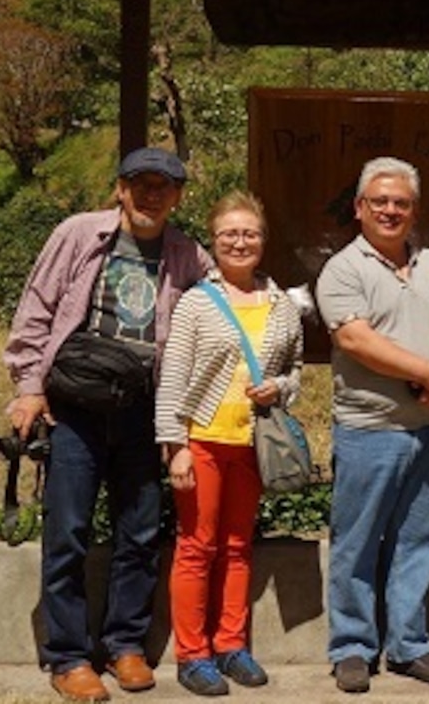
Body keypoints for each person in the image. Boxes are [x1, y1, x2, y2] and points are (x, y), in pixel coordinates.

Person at [3, 147, 212, 702]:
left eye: (164, 187)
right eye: (141, 184)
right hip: (74, 408)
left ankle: (125, 645)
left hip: (145, 411)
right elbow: (37, 309)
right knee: (67, 531)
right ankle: (68, 656)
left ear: (178, 196)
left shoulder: (188, 254)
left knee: (139, 532)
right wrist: (28, 388)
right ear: (120, 188)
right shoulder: (79, 235)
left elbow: (222, 309)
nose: (152, 195)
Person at [314, 157, 429, 695]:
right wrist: (426, 371)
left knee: (420, 540)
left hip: (423, 429)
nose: (390, 210)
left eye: (400, 202)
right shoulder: (343, 270)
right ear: (359, 208)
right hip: (367, 431)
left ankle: (408, 645)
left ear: (413, 210)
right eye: (379, 201)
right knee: (357, 543)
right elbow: (355, 340)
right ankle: (352, 648)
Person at [155, 191, 304, 696]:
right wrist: (173, 444)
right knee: (197, 547)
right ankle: (192, 654)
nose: (240, 243)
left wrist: (279, 387)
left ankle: (231, 644)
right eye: (229, 234)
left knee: (239, 547)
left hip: (252, 442)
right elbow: (173, 375)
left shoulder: (281, 303)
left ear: (263, 240)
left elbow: (295, 372)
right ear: (214, 241)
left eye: (250, 234)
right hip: (203, 439)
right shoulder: (197, 301)